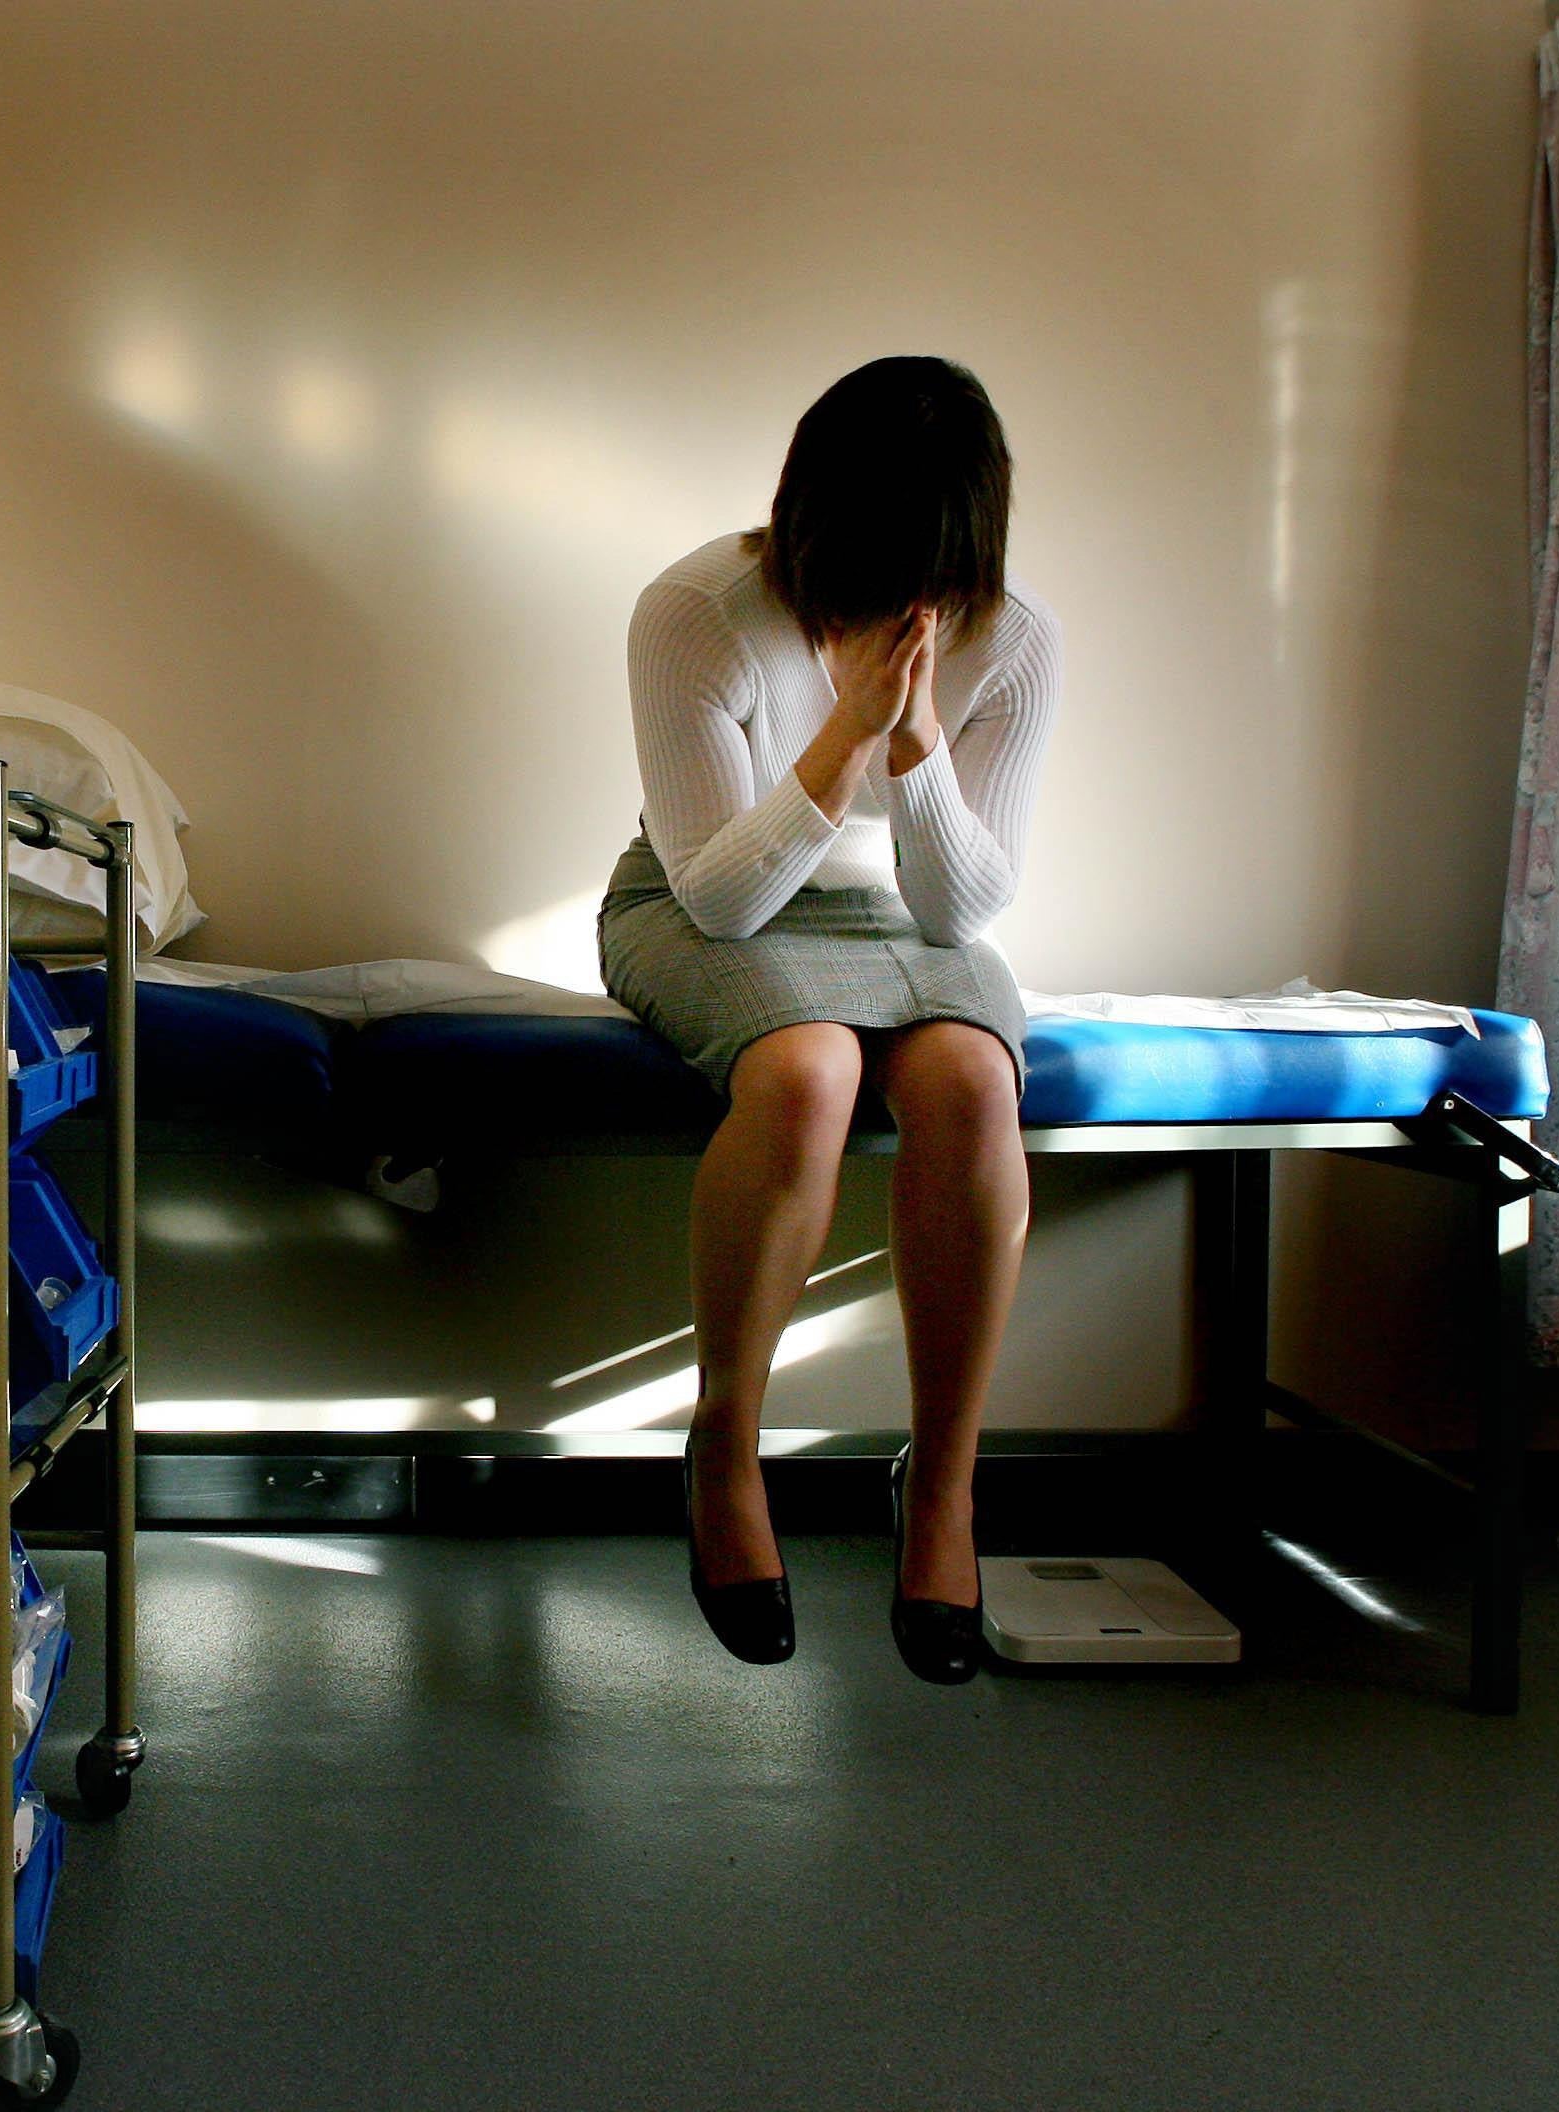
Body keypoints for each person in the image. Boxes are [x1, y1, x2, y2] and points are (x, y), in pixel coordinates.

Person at [598, 356, 1059, 1684]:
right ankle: (726, 1447)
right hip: (703, 900)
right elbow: (722, 900)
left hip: (903, 920)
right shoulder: (697, 610)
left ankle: (946, 1485)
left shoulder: (1013, 638)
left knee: (975, 1087)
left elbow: (966, 906)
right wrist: (840, 736)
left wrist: (914, 750)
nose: (901, 606)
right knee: (805, 1077)